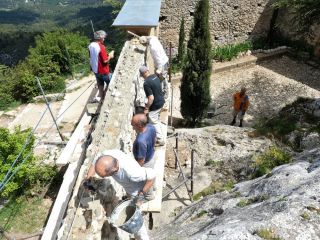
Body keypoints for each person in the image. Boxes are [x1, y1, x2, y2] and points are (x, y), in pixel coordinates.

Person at [86, 149, 156, 240]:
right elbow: (97, 159)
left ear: (114, 170)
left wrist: (141, 194)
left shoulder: (133, 173)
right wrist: (88, 179)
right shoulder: (107, 156)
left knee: (137, 222)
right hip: (129, 189)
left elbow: (152, 176)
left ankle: (142, 237)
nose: (102, 178)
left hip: (137, 192)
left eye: (104, 176)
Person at [139, 66, 165, 146]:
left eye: (142, 75)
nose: (142, 77)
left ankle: (160, 140)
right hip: (161, 101)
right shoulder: (155, 76)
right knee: (156, 119)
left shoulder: (146, 83)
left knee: (152, 119)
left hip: (156, 104)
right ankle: (159, 135)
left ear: (143, 73)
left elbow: (151, 98)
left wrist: (146, 108)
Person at [88, 30, 114, 102]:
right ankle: (109, 99)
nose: (104, 39)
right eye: (104, 38)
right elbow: (105, 61)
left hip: (96, 71)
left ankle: (102, 99)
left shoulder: (90, 45)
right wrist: (110, 56)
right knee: (110, 83)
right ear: (101, 38)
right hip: (104, 71)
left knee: (100, 84)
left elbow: (91, 57)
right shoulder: (101, 46)